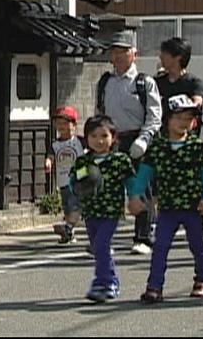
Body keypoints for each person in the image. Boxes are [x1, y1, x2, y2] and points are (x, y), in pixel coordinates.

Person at [129, 94, 203, 303]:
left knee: (197, 245)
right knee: (160, 246)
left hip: (193, 206)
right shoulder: (157, 148)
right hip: (167, 207)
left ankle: (202, 280)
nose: (184, 123)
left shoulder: (198, 147)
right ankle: (154, 286)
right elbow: (144, 174)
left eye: (188, 118)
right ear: (167, 120)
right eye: (179, 118)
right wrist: (134, 195)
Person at [95, 30, 162, 256]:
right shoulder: (105, 82)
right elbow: (99, 113)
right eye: (114, 52)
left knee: (139, 188)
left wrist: (144, 139)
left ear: (135, 54)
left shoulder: (144, 82)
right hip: (111, 139)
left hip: (137, 139)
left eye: (123, 51)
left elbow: (154, 116)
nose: (118, 56)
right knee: (108, 190)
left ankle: (143, 237)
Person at [70, 115, 136, 302]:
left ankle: (103, 283)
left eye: (104, 136)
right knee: (99, 248)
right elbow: (75, 181)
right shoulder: (84, 162)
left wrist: (134, 198)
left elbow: (130, 181)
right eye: (93, 136)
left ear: (113, 138)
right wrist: (78, 190)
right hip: (90, 212)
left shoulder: (120, 160)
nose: (99, 141)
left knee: (101, 245)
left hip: (111, 211)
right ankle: (111, 279)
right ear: (86, 138)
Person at [45, 105, 85, 244]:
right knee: (67, 207)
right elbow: (50, 156)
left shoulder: (80, 141)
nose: (61, 126)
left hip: (78, 180)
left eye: (65, 123)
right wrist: (48, 162)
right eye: (59, 123)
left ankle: (68, 228)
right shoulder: (55, 145)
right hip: (62, 180)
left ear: (73, 125)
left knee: (75, 205)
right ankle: (70, 233)